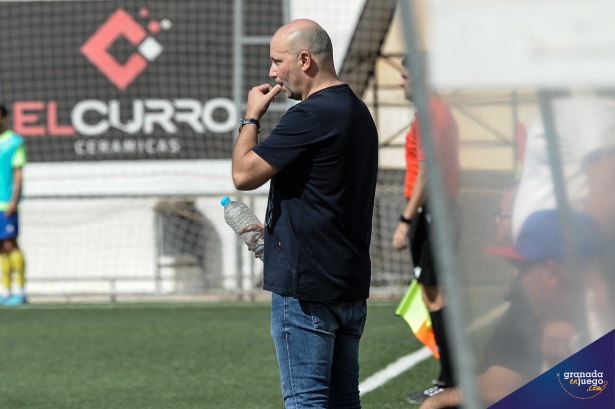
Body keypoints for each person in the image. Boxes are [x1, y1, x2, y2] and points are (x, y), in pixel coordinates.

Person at [231, 19, 378, 408]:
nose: (272, 72)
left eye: (277, 61)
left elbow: (243, 174)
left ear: (305, 60)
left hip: (307, 288)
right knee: (344, 401)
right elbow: (324, 196)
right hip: (347, 282)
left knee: (306, 402)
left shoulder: (310, 115)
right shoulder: (356, 110)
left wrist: (251, 118)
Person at [391, 56, 460, 404]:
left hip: (435, 210)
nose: (400, 83)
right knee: (433, 295)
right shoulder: (430, 111)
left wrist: (405, 220)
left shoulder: (433, 111)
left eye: (404, 77)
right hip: (433, 210)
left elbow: (428, 169)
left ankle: (452, 379)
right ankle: (451, 376)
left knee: (437, 295)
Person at [0, 105, 27, 306]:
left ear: (5, 118)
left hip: (6, 203)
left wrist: (13, 200)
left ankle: (21, 290)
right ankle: (6, 291)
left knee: (11, 244)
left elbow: (18, 174)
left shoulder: (14, 142)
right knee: (1, 248)